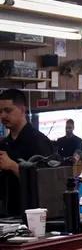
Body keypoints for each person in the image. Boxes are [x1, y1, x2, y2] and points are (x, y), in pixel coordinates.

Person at [0, 89, 55, 217]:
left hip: (33, 215)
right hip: (7, 214)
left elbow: (46, 182)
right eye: (0, 112)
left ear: (22, 110)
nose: (3, 116)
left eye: (8, 111)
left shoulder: (38, 141)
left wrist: (13, 166)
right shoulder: (4, 144)